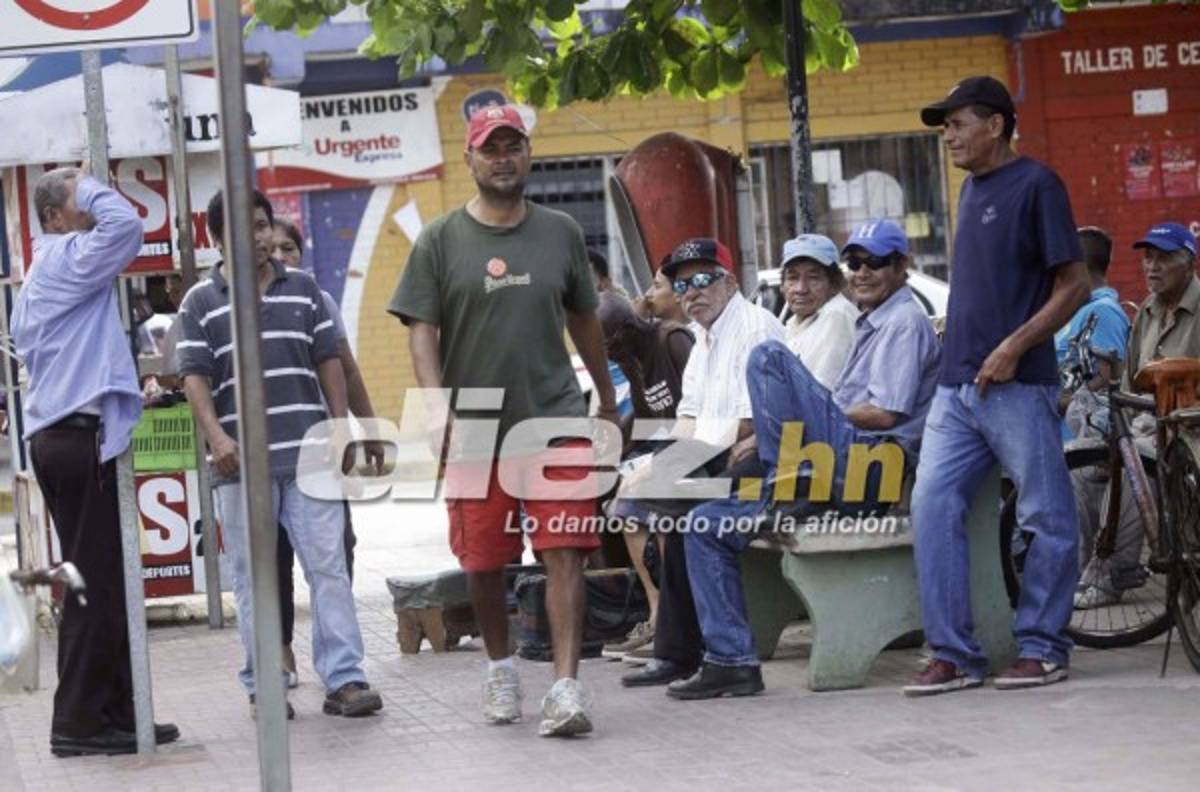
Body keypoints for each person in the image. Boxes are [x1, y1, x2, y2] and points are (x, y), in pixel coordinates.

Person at [388, 104, 617, 737]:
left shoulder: (562, 232)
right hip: (476, 428)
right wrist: (437, 409)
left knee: (565, 551)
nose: (503, 157)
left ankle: (567, 690)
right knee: (484, 562)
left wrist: (605, 393)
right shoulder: (438, 240)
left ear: (529, 155)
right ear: (470, 159)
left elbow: (584, 320)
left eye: (513, 146)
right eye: (491, 148)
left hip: (555, 419)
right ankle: (499, 668)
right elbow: (421, 333)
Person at [670, 220, 941, 700]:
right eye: (855, 262)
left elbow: (884, 412)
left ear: (902, 267)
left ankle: (787, 482)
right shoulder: (869, 320)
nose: (863, 272)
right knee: (702, 524)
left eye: (876, 262)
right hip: (835, 468)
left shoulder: (903, 320)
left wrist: (813, 412)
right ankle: (731, 662)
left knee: (769, 359)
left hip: (874, 469)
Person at [908, 75, 1090, 696]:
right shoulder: (969, 191)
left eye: (957, 123)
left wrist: (1014, 346)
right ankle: (954, 654)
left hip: (1017, 384)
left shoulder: (1038, 184)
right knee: (931, 507)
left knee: (1045, 516)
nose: (948, 136)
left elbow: (1073, 285)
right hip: (955, 388)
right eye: (945, 126)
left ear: (995, 124)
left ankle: (1042, 646)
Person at [178, 190, 382, 719]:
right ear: (215, 239)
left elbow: (330, 363)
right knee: (254, 579)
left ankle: (345, 679)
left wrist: (340, 428)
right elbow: (194, 379)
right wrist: (217, 439)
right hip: (239, 466)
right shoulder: (200, 302)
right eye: (245, 229)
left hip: (309, 459)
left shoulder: (306, 290)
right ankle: (266, 683)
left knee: (329, 569)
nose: (261, 236)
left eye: (264, 225)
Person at [11, 166, 180, 756]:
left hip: (68, 437)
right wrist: (87, 184)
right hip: (75, 439)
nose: (90, 198)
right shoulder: (65, 256)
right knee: (94, 584)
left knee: (106, 581)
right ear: (54, 218)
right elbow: (126, 225)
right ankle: (79, 722)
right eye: (76, 196)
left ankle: (115, 712)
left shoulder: (52, 269)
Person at [619, 237, 785, 689]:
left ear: (730, 282)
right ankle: (678, 654)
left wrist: (683, 465)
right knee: (652, 500)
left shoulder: (753, 328)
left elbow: (753, 424)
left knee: (693, 520)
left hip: (774, 464)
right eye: (682, 284)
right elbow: (688, 421)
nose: (692, 292)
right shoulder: (701, 338)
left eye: (704, 279)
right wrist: (662, 468)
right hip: (721, 456)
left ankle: (731, 660)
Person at [271, 218, 385, 687]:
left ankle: (335, 654)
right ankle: (279, 651)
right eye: (271, 245)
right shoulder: (231, 304)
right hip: (265, 455)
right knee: (272, 557)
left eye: (289, 248)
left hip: (319, 452)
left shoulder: (318, 300)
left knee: (337, 550)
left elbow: (346, 370)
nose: (280, 255)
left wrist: (367, 428)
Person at [1072, 222, 1200, 609]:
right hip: (1148, 422)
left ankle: (1113, 573)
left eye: (1164, 259)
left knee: (1134, 463)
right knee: (1080, 463)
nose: (1152, 267)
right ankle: (1079, 568)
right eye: (1148, 259)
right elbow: (1129, 385)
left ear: (1189, 263)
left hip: (1189, 426)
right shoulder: (1146, 311)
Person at [596, 292, 694, 657]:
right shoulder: (633, 356)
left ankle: (672, 617)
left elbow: (700, 410)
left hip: (703, 447)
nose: (606, 354)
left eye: (606, 344)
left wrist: (658, 464)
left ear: (624, 330)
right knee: (619, 499)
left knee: (651, 500)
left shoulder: (672, 339)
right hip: (669, 449)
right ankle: (657, 610)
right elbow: (645, 417)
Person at [778, 233, 860, 389]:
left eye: (813, 278)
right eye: (793, 278)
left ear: (833, 283)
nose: (801, 289)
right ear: (783, 285)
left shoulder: (837, 314)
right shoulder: (794, 323)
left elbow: (821, 392)